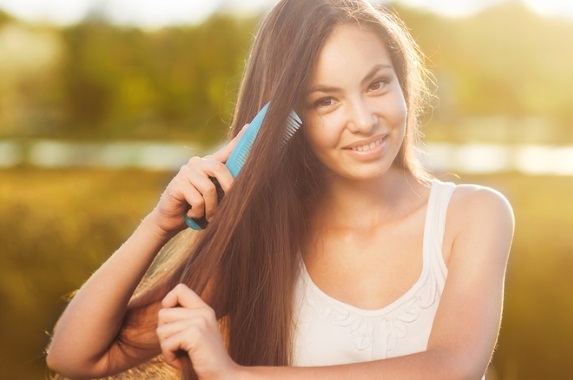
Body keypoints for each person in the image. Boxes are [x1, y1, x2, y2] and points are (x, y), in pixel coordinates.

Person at [46, 0, 514, 378]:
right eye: (325, 100)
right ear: (285, 122)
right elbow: (75, 357)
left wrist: (234, 376)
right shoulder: (265, 243)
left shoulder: (474, 216)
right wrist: (159, 224)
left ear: (402, 84)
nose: (364, 120)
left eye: (376, 84)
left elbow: (452, 366)